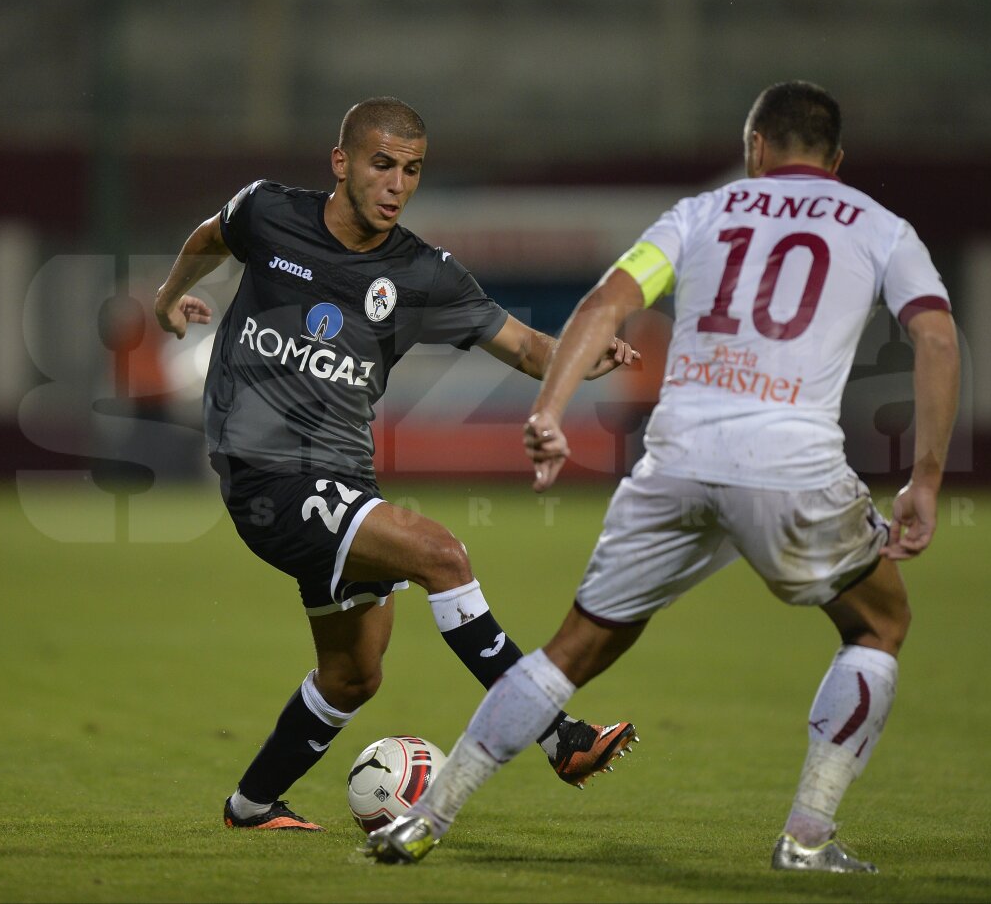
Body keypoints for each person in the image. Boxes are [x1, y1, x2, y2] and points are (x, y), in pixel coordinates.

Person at [365, 80, 960, 872]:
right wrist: (925, 477)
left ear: (755, 149)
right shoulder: (883, 228)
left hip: (676, 458)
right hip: (791, 463)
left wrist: (550, 409)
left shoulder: (701, 213)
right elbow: (937, 340)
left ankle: (426, 818)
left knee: (569, 650)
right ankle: (807, 834)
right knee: (879, 624)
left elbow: (602, 305)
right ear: (838, 159)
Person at [153, 97, 641, 832]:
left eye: (411, 170)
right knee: (442, 555)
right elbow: (212, 234)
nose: (396, 184)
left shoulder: (422, 273)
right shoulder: (268, 212)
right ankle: (557, 735)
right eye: (382, 164)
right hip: (265, 475)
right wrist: (171, 297)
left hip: (345, 479)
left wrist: (582, 355)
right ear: (341, 162)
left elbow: (525, 346)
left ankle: (250, 806)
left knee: (353, 674)